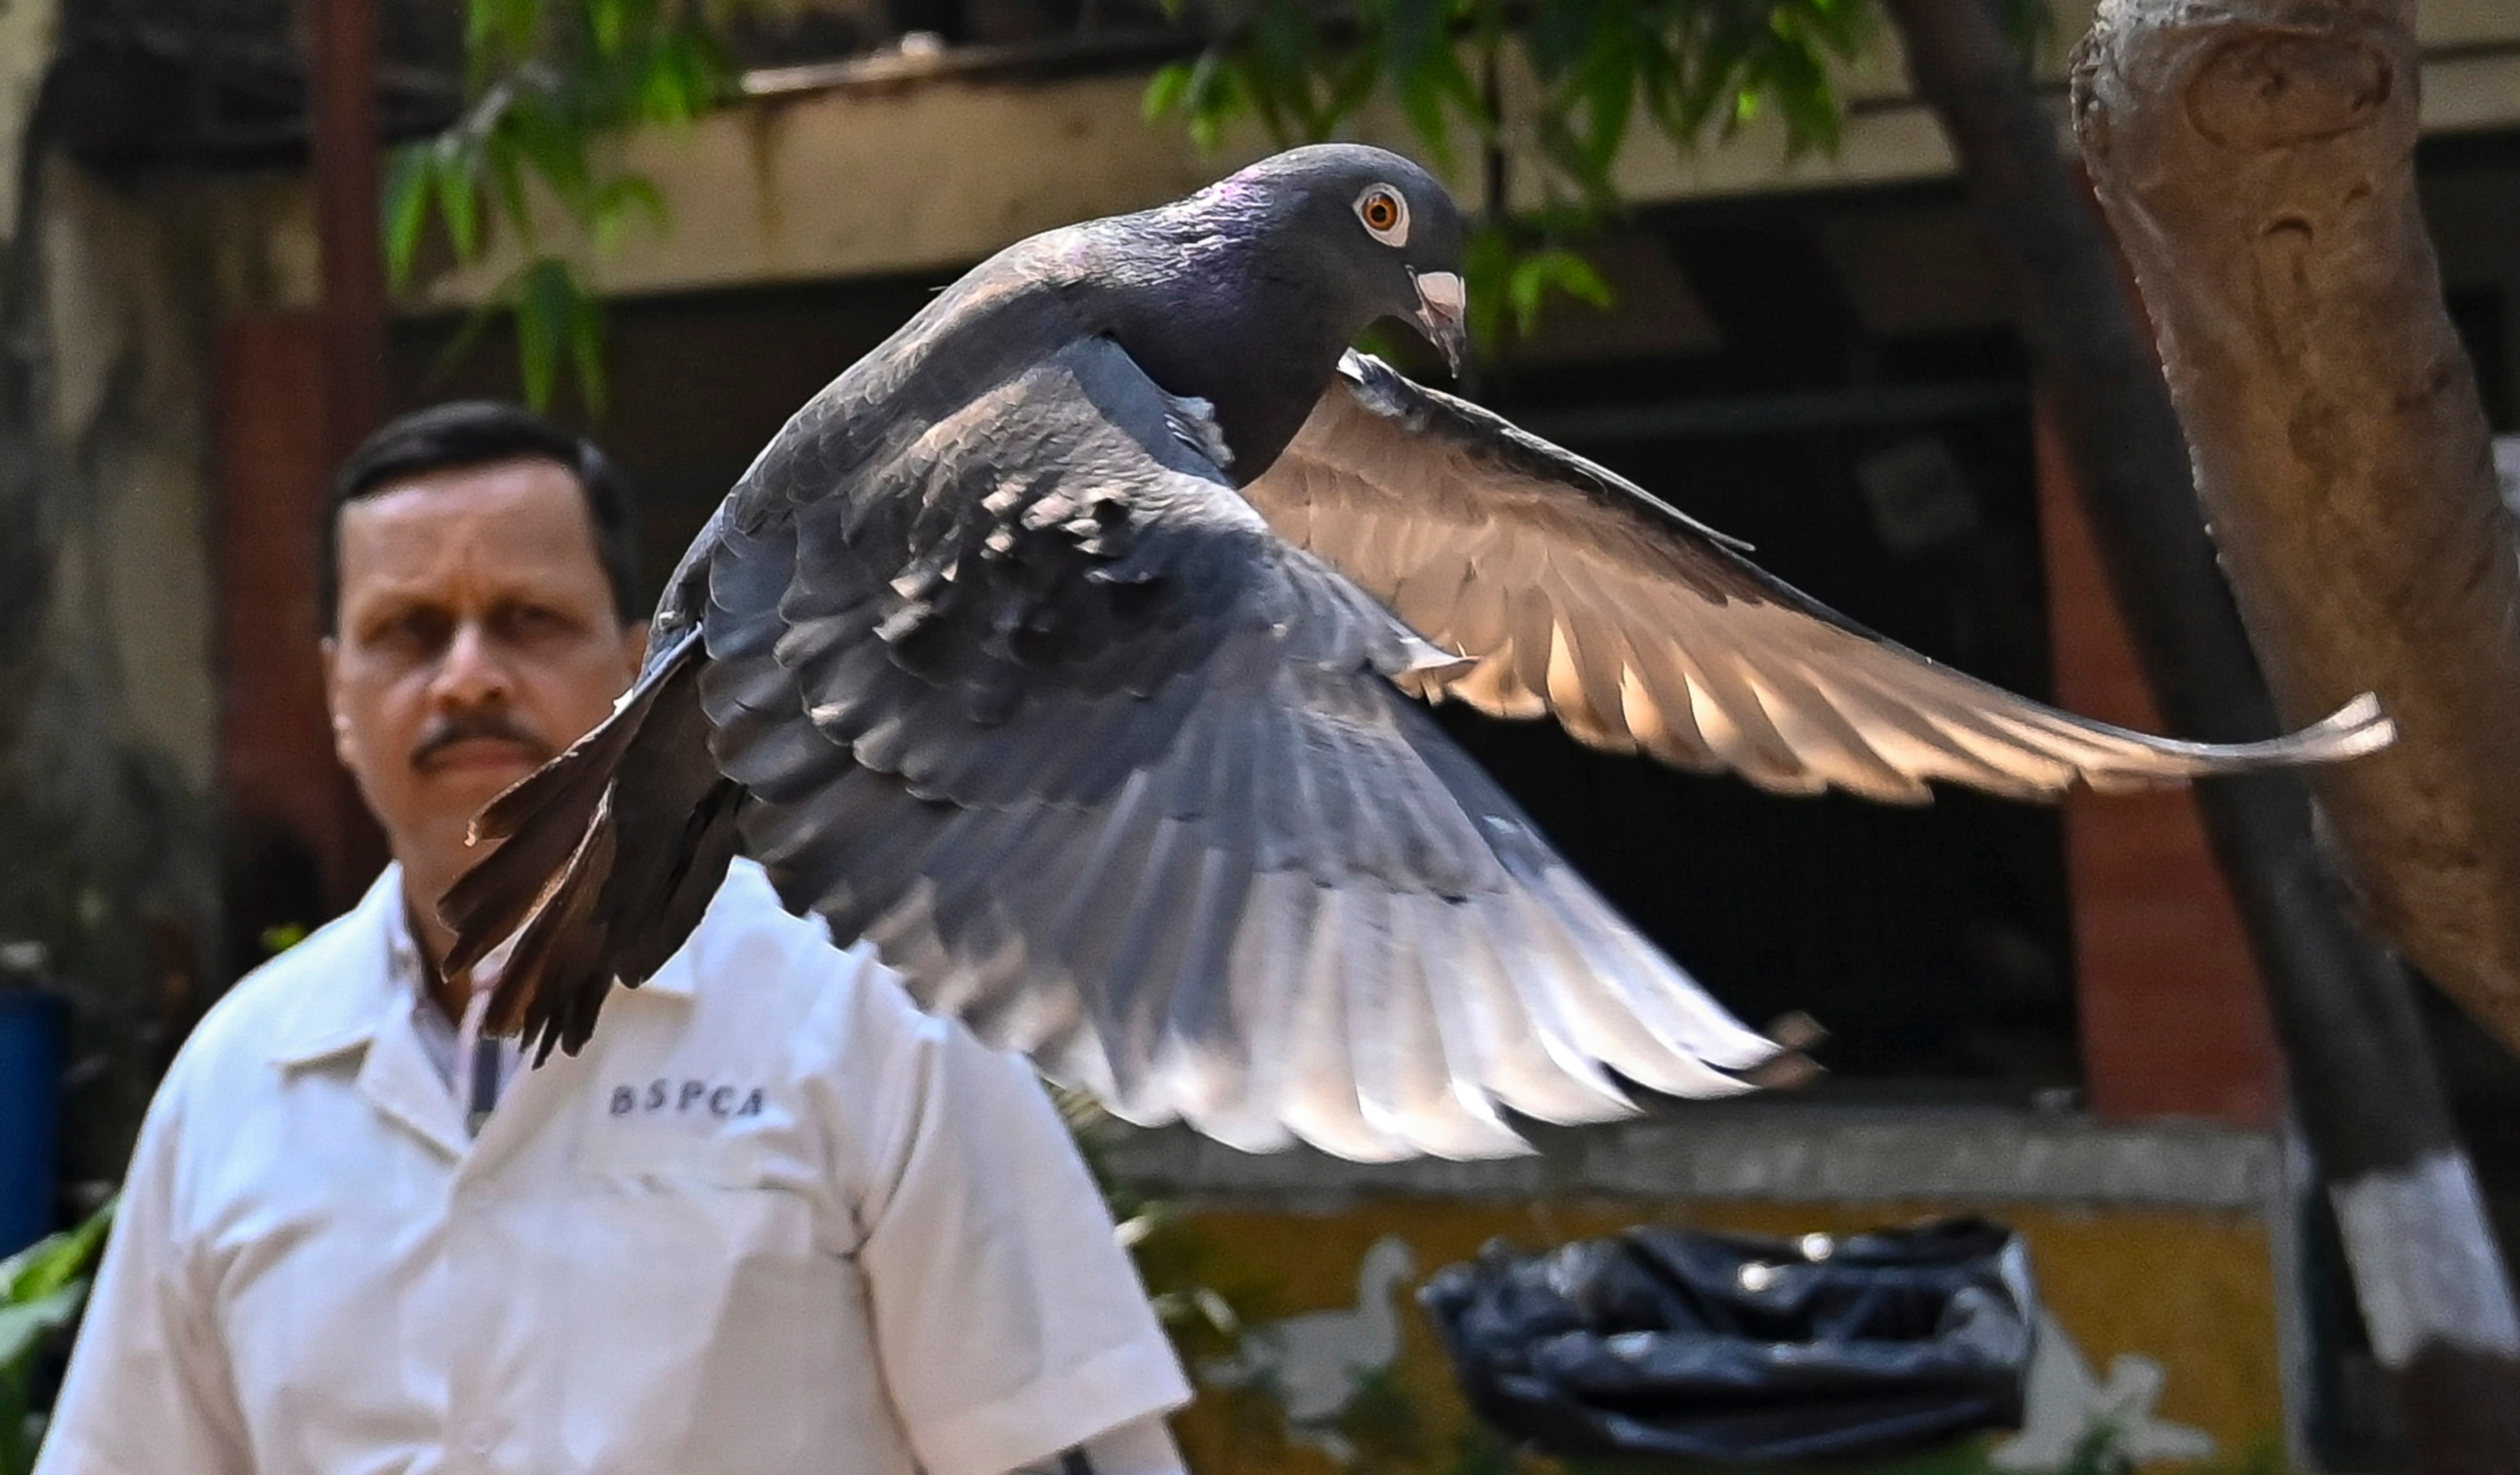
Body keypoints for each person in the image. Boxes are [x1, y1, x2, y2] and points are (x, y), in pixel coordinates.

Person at [36, 402, 1193, 1475]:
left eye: (527, 620)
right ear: (338, 690)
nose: (468, 675)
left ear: (639, 663)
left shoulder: (865, 1013)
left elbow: (1063, 1445)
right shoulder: (237, 1080)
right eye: (408, 630)